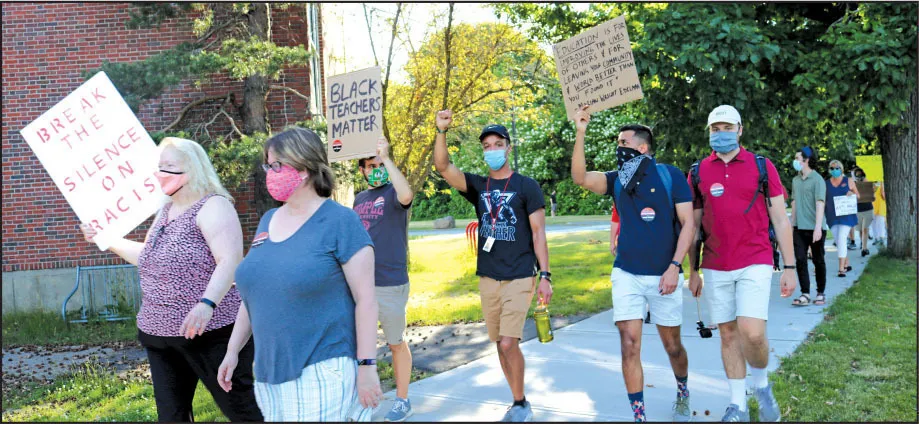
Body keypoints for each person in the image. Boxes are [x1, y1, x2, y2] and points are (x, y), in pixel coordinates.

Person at [79, 137, 262, 422]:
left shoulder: (213, 206)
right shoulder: (165, 210)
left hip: (210, 335)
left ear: (193, 169)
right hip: (160, 337)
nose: (160, 173)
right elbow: (149, 256)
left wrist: (206, 303)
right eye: (158, 166)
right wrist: (107, 239)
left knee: (242, 411)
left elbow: (230, 261)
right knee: (172, 417)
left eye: (169, 166)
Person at [217, 127, 382, 421]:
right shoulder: (268, 220)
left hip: (321, 368)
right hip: (269, 372)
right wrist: (232, 351)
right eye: (268, 165)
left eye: (276, 165)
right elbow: (254, 295)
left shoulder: (340, 221)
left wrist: (367, 366)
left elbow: (366, 301)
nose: (269, 172)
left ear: (304, 168)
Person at [570, 106, 696, 422]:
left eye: (623, 142)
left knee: (673, 347)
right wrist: (581, 131)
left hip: (664, 276)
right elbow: (580, 177)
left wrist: (674, 267)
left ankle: (682, 390)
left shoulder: (671, 175)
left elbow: (688, 224)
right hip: (626, 273)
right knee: (629, 344)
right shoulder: (616, 181)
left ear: (641, 148)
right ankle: (639, 416)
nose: (618, 148)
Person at [433, 109, 552, 422]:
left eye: (498, 144)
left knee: (510, 341)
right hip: (488, 277)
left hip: (520, 275)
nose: (492, 150)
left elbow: (539, 233)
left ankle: (522, 402)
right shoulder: (478, 185)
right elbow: (442, 166)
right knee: (500, 344)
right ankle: (517, 402)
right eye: (487, 146)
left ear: (508, 148)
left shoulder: (527, 186)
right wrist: (441, 131)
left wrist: (546, 275)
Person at [687, 105, 797, 422]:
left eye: (726, 127)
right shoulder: (697, 172)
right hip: (715, 264)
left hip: (756, 258)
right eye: (714, 129)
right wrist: (692, 271)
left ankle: (761, 385)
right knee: (728, 335)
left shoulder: (762, 166)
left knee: (752, 332)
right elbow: (693, 228)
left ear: (740, 130)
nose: (720, 134)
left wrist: (789, 267)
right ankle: (737, 404)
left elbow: (781, 218)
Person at [353, 136, 415, 422]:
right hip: (361, 284)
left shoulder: (393, 192)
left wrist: (387, 158)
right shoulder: (358, 199)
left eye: (379, 164)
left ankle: (402, 400)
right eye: (371, 165)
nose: (375, 169)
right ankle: (363, 398)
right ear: (362, 170)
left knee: (394, 341)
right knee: (359, 345)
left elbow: (406, 196)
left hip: (390, 282)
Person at [790, 146, 827, 307]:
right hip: (799, 227)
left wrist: (818, 227)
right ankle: (805, 293)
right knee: (800, 259)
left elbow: (820, 203)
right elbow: (794, 202)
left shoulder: (817, 179)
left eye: (798, 158)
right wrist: (791, 224)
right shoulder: (795, 180)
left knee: (818, 260)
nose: (795, 161)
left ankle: (820, 292)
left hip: (815, 227)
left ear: (806, 160)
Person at [823, 160, 858, 277]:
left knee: (842, 238)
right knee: (838, 240)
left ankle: (841, 268)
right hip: (832, 216)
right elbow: (822, 199)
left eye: (837, 168)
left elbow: (858, 195)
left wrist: (852, 194)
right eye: (832, 168)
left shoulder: (848, 181)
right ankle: (846, 263)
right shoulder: (826, 183)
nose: (834, 170)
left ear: (841, 169)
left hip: (846, 216)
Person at [853, 167, 874, 257]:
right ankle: (862, 243)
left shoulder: (867, 182)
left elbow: (872, 193)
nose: (859, 176)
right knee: (860, 229)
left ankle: (864, 248)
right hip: (857, 209)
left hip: (868, 208)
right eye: (857, 174)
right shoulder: (853, 184)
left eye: (860, 174)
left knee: (865, 228)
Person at [871, 181, 887, 247]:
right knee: (881, 223)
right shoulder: (881, 182)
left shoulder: (869, 181)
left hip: (872, 203)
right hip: (880, 204)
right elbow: (883, 195)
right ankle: (882, 238)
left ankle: (876, 238)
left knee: (874, 223)